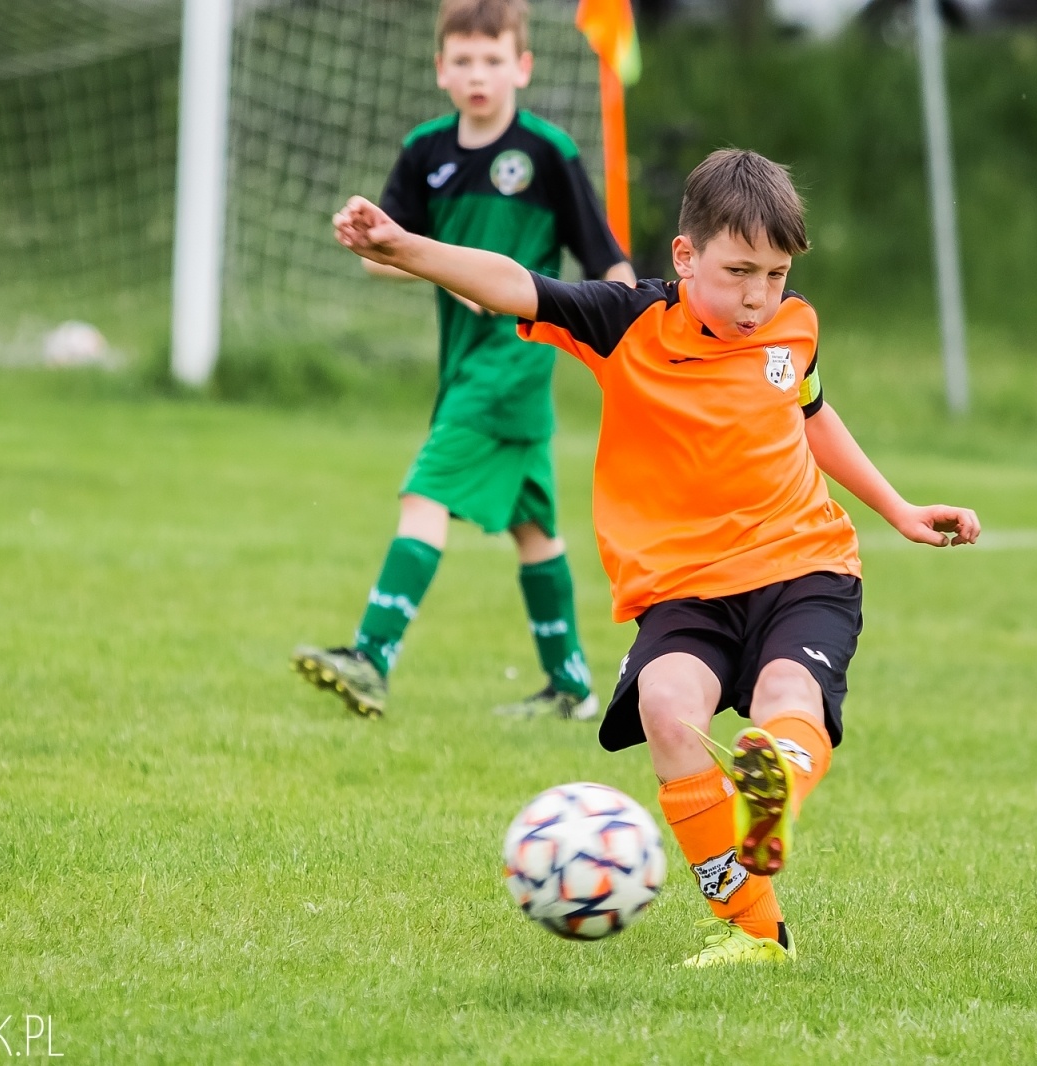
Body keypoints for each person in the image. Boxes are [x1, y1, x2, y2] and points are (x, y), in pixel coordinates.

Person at [335, 148, 981, 965]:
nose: (757, 296)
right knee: (669, 709)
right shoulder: (626, 320)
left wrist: (897, 507)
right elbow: (512, 281)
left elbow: (811, 415)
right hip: (682, 588)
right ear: (685, 256)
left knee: (790, 693)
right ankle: (756, 933)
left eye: (776, 274)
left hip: (803, 566)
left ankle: (772, 779)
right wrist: (404, 248)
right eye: (738, 269)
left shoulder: (794, 326)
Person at [292, 0, 636, 721]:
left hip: (512, 363)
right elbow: (387, 258)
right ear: (441, 69)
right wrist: (372, 240)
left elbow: (608, 262)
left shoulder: (547, 154)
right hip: (463, 362)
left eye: (492, 59)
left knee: (427, 493)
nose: (478, 74)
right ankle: (572, 689)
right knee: (533, 528)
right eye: (464, 61)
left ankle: (371, 658)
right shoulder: (425, 151)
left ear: (522, 66)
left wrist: (631, 337)